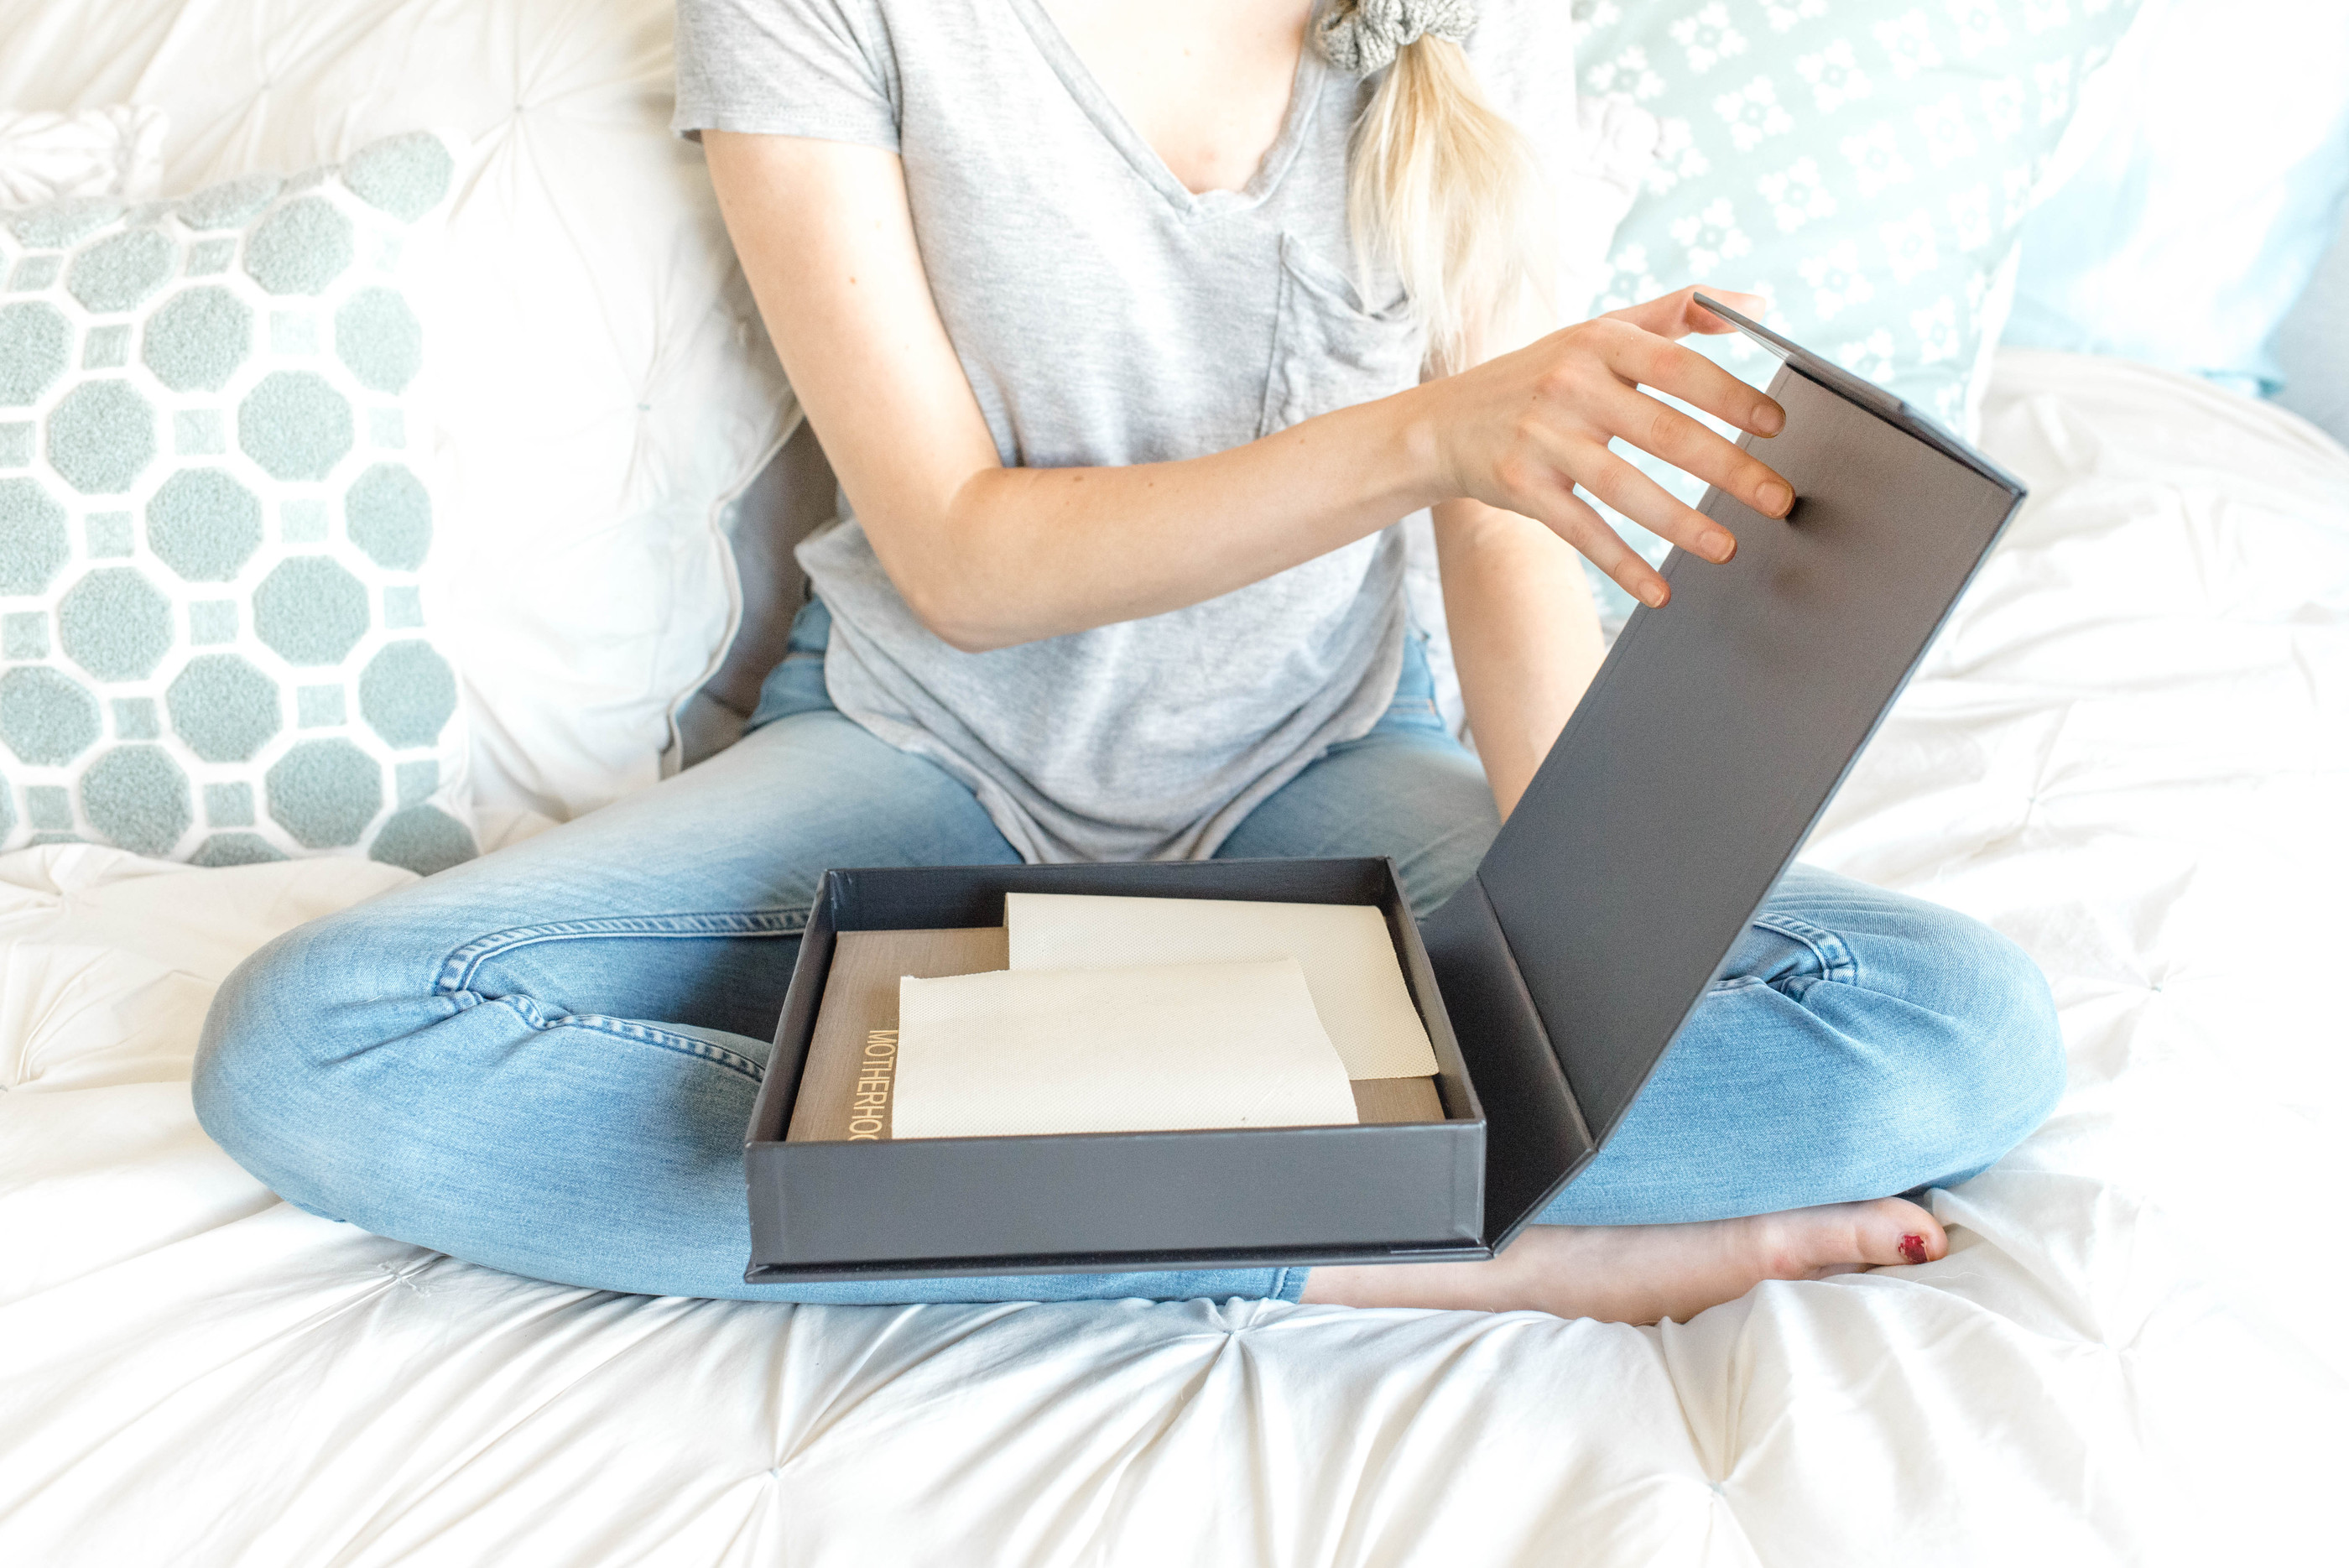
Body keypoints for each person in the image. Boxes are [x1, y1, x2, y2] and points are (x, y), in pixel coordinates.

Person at [192, 0, 2065, 1325]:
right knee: (320, 1044)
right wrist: (1433, 434)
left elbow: (1512, 523)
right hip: (916, 761)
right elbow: (961, 554)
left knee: (1947, 1026)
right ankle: (1384, 1243)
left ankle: (1053, 1166)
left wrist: (1599, 914)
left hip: (1319, 774)